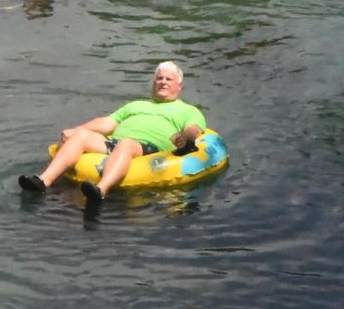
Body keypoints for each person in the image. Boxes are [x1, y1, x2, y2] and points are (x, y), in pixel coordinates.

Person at [18, 62, 207, 205]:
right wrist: (77, 130)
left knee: (126, 143)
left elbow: (194, 129)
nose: (162, 82)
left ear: (178, 86)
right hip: (116, 142)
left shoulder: (187, 110)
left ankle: (101, 190)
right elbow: (107, 122)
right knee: (82, 137)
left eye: (168, 79)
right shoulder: (137, 105)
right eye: (159, 78)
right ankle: (43, 181)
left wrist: (185, 137)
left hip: (150, 148)